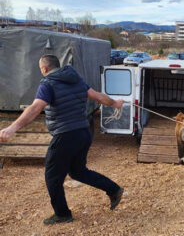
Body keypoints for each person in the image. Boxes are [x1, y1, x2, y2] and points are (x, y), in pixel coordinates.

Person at [0, 55, 125, 225]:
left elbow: (36, 107)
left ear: (44, 68)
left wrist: (11, 128)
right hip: (84, 132)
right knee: (78, 172)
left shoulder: (47, 83)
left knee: (52, 177)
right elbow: (99, 97)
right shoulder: (77, 80)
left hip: (66, 135)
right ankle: (114, 189)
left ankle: (62, 213)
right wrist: (115, 103)